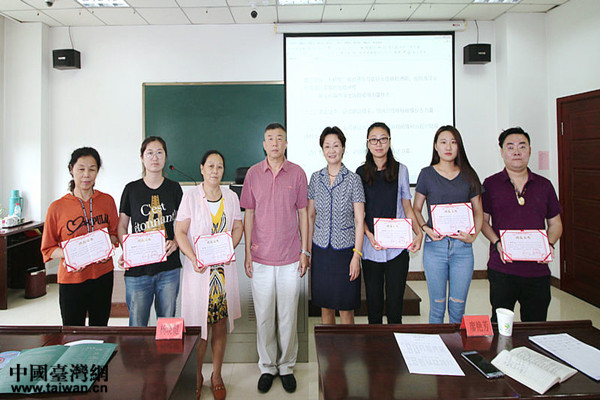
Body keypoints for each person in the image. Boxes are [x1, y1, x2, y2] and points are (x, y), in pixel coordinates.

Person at [240, 122, 309, 394]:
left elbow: (303, 213)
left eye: (280, 138)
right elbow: (248, 213)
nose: (275, 143)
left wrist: (305, 251)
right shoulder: (253, 174)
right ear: (263, 144)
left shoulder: (298, 173)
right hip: (260, 258)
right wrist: (247, 252)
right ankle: (268, 366)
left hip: (291, 257)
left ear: (286, 143)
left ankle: (287, 366)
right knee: (264, 317)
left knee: (288, 316)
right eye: (270, 138)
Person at [174, 150, 243, 400]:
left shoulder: (231, 196)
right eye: (211, 166)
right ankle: (196, 376)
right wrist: (194, 258)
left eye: (220, 166)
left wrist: (228, 248)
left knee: (219, 325)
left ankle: (217, 375)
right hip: (200, 272)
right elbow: (180, 232)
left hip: (222, 274)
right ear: (202, 169)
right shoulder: (191, 196)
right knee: (198, 328)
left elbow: (238, 226)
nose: (215, 171)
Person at [481, 127, 562, 322]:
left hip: (537, 271)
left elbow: (556, 223)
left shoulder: (544, 185)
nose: (516, 151)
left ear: (530, 150)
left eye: (522, 146)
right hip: (502, 269)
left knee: (536, 325)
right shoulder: (490, 184)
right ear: (502, 152)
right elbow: (482, 222)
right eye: (510, 147)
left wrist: (549, 245)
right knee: (501, 325)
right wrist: (497, 243)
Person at [41, 147, 119, 326]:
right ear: (71, 169)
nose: (86, 175)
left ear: (97, 171)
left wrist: (106, 246)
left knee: (100, 327)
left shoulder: (107, 201)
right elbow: (48, 248)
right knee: (73, 330)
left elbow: (115, 235)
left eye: (92, 169)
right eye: (81, 169)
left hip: (103, 275)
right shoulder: (57, 207)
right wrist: (71, 255)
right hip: (72, 279)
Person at [413, 125, 483, 324]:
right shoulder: (426, 174)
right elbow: (416, 208)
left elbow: (479, 211)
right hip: (435, 247)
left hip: (462, 249)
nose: (448, 147)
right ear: (436, 146)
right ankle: (437, 344)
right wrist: (426, 229)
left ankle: (456, 343)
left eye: (453, 142)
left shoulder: (469, 174)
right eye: (443, 142)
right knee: (437, 307)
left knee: (458, 308)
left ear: (459, 146)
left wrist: (473, 236)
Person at [356, 122, 423, 325]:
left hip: (397, 248)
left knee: (395, 306)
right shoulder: (360, 173)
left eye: (383, 139)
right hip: (371, 248)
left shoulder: (401, 170)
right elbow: (359, 214)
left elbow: (407, 207)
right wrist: (369, 236)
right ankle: (375, 344)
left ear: (389, 141)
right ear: (368, 144)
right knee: (374, 306)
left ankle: (395, 343)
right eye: (374, 140)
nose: (379, 144)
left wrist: (418, 233)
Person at [117, 136, 183, 327]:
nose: (155, 158)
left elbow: (183, 224)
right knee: (137, 325)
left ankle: (166, 350)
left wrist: (176, 242)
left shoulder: (174, 188)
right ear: (142, 157)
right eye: (150, 153)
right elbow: (122, 225)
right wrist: (127, 249)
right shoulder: (131, 189)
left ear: (166, 157)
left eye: (160, 153)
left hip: (168, 268)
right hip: (138, 269)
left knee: (167, 323)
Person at [307, 126, 365, 325]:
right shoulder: (316, 178)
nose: (331, 150)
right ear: (322, 149)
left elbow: (359, 220)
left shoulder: (354, 180)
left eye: (336, 145)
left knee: (346, 310)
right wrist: (308, 251)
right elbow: (310, 215)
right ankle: (329, 346)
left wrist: (356, 256)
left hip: (345, 253)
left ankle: (347, 345)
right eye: (327, 146)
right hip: (321, 252)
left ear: (343, 148)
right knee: (325, 308)